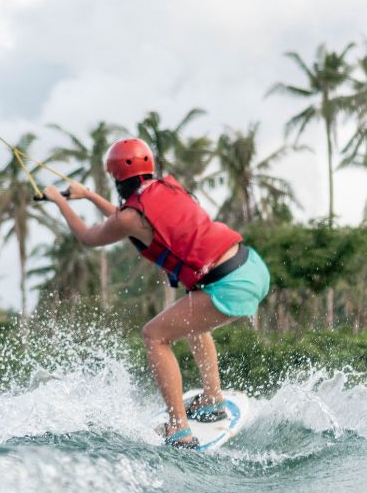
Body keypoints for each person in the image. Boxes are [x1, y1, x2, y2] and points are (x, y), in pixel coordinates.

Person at [44, 138, 271, 449]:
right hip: (250, 266)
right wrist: (87, 195)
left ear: (117, 179)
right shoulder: (167, 191)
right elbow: (128, 222)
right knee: (191, 322)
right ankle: (212, 399)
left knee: (154, 335)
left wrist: (59, 200)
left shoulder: (130, 216)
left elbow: (89, 236)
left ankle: (179, 430)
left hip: (229, 284)